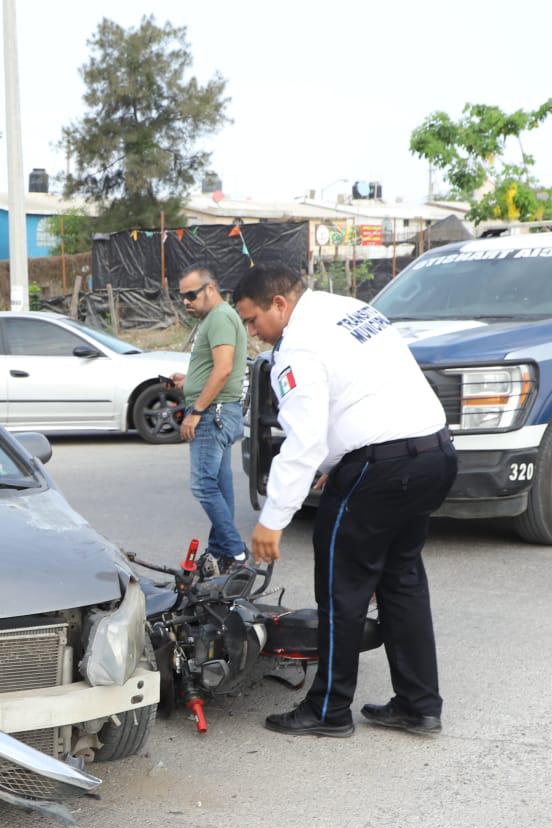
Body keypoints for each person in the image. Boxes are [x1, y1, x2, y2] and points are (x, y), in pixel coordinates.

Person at [233, 264, 456, 738]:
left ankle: (329, 710)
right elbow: (364, 393)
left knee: (342, 590)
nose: (253, 333)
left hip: (382, 469)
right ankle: (419, 705)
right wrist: (335, 464)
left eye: (253, 321)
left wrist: (272, 519)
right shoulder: (353, 309)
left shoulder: (296, 345)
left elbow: (304, 439)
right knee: (402, 582)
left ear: (279, 304)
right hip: (434, 453)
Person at [170, 265, 250, 575]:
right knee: (219, 483)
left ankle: (237, 554)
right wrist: (188, 380)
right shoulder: (217, 318)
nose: (186, 302)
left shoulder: (219, 318)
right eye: (182, 297)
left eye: (191, 295)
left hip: (213, 413)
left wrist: (196, 411)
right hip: (220, 410)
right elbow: (214, 369)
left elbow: (224, 368)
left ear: (210, 289)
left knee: (203, 485)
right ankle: (222, 552)